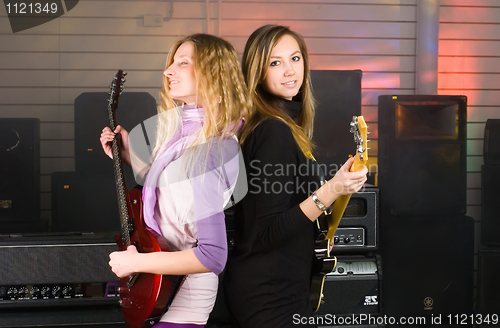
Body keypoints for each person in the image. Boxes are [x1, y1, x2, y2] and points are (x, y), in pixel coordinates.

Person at [100, 33, 249, 328]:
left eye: (182, 63)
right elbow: (175, 196)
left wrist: (136, 263)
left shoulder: (211, 149)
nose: (168, 71)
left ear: (214, 75)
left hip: (183, 294)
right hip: (163, 283)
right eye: (171, 63)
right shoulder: (188, 134)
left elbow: (213, 255)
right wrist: (129, 156)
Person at [223, 25, 368, 327]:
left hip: (278, 288)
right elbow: (269, 231)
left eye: (295, 58)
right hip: (268, 296)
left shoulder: (280, 126)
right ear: (257, 72)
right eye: (275, 63)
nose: (290, 71)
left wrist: (337, 189)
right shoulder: (273, 131)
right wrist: (333, 188)